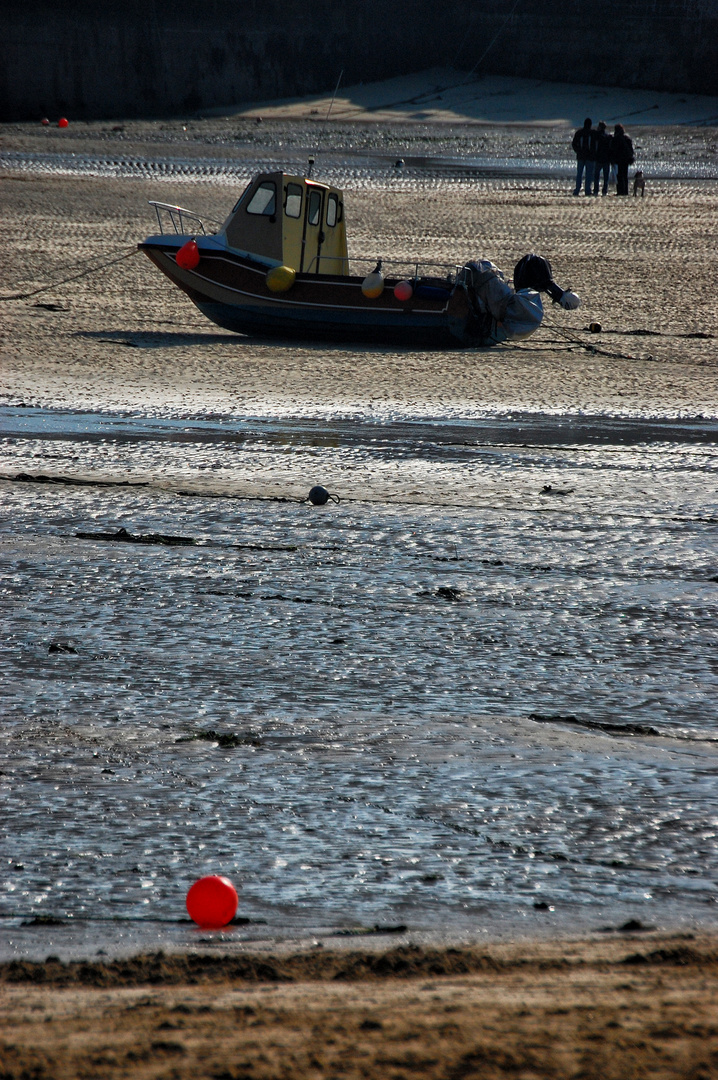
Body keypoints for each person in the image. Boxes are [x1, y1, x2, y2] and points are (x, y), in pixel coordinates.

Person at [571, 117, 596, 196]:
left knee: (580, 174)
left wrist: (578, 151)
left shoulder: (579, 133)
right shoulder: (592, 133)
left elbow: (574, 144)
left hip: (581, 156)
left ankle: (577, 190)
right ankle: (587, 190)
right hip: (588, 157)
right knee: (588, 174)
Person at [610, 123, 635, 196]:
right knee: (625, 176)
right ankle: (625, 191)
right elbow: (631, 150)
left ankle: (620, 191)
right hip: (626, 160)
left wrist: (612, 159)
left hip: (619, 160)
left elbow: (613, 150)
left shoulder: (616, 138)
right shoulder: (627, 138)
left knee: (619, 176)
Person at [592, 121, 612, 196]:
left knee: (596, 176)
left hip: (599, 159)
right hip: (606, 159)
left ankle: (596, 190)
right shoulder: (608, 137)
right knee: (605, 177)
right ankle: (604, 191)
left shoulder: (597, 136)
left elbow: (595, 148)